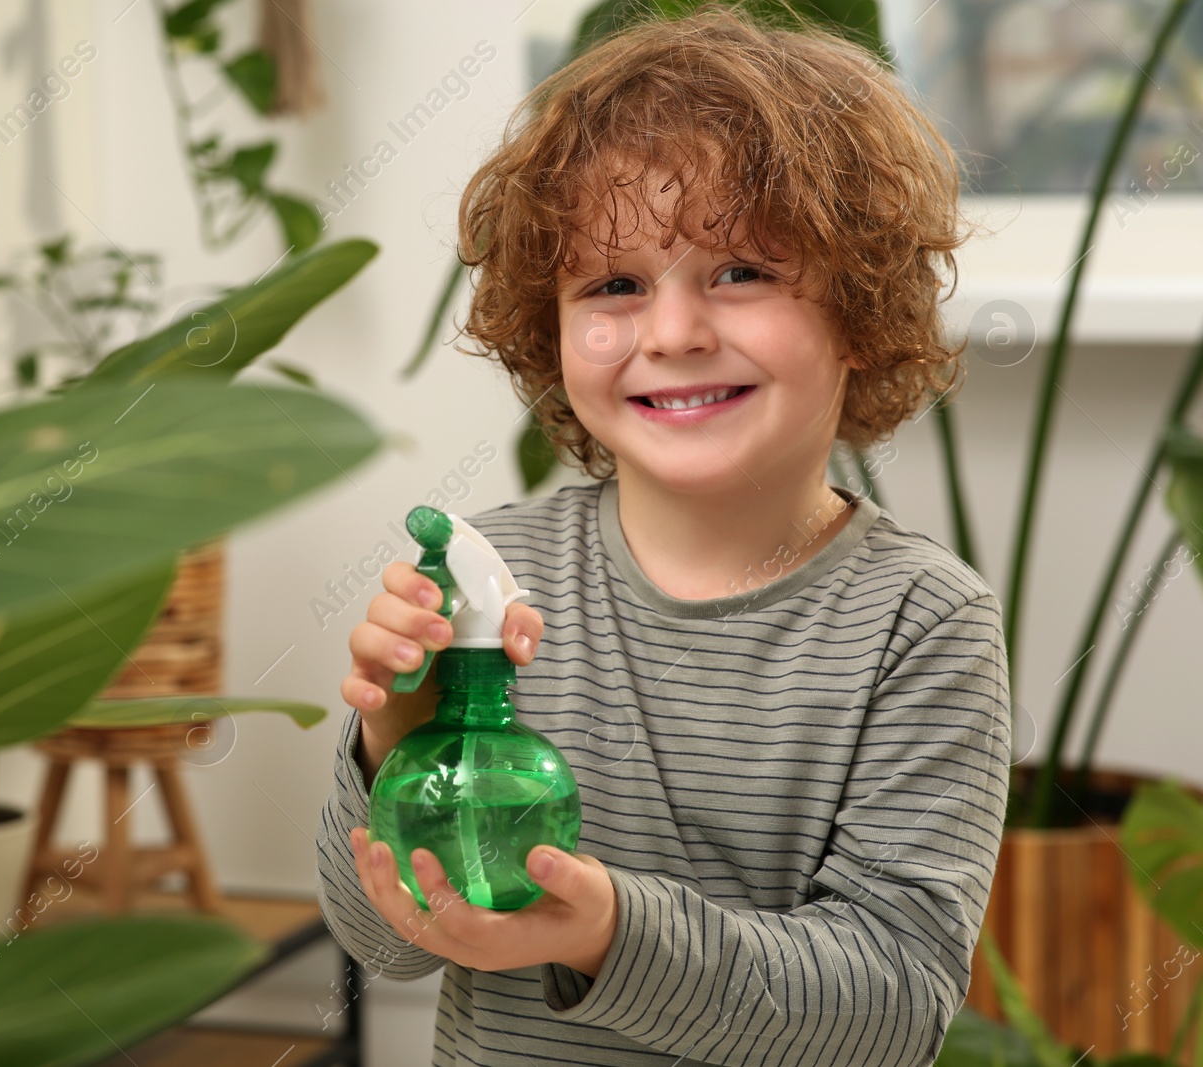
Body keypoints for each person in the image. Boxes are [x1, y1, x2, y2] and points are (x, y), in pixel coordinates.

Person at [314, 5, 1012, 1065]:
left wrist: (606, 931)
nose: (674, 332)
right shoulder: (493, 581)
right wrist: (397, 741)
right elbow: (383, 941)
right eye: (614, 284)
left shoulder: (919, 622)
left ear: (860, 311)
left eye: (740, 271)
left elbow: (890, 1004)